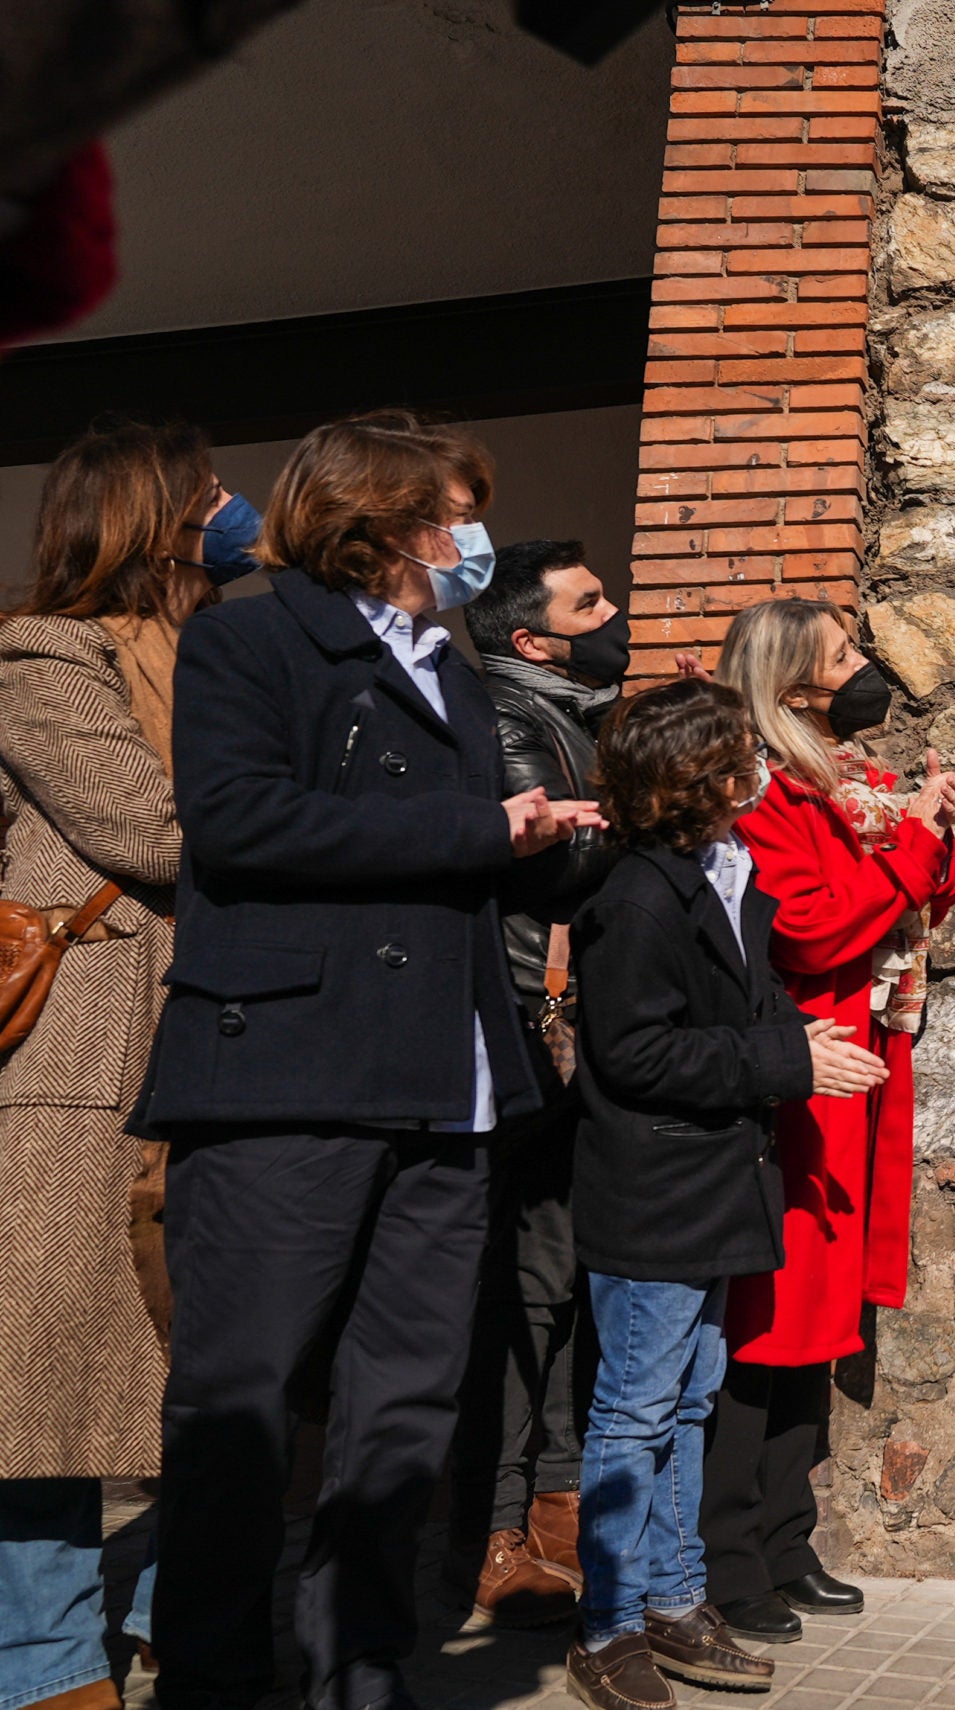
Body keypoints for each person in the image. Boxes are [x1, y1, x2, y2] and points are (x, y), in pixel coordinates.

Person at [137, 410, 605, 1710]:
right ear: (389, 517)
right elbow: (236, 823)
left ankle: (362, 1662)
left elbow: (473, 849)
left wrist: (554, 836)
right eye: (457, 509)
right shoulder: (251, 635)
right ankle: (219, 1676)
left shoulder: (452, 667)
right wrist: (471, 824)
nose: (471, 536)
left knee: (402, 1406)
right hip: (289, 1068)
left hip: (447, 1086)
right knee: (243, 1400)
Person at [565, 677, 888, 1710]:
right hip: (658, 1190)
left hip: (714, 1188)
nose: (760, 766)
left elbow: (745, 1004)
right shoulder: (635, 897)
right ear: (696, 777)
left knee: (688, 1402)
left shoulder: (714, 876)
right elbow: (635, 1052)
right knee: (633, 1414)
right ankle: (608, 1626)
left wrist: (799, 1039)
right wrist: (788, 1059)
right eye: (740, 753)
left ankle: (674, 1599)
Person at [704, 597, 955, 1638]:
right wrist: (906, 848)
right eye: (845, 652)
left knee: (817, 1321)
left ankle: (784, 1535)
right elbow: (813, 931)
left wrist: (927, 830)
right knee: (769, 1317)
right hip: (802, 1064)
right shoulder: (762, 786)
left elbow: (901, 902)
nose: (863, 666)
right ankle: (733, 1557)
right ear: (792, 674)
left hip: (852, 1058)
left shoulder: (835, 774)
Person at [0, 421, 216, 1710]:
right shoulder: (40, 655)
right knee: (49, 1375)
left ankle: (147, 1612)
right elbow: (146, 828)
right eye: (205, 502)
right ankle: (42, 1664)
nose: (229, 519)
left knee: (204, 1364)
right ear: (147, 520)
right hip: (75, 1052)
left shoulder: (217, 655)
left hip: (200, 1040)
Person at [443, 540, 629, 1627]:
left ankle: (554, 1514)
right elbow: (553, 865)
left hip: (570, 1021)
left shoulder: (580, 712)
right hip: (526, 1020)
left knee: (558, 1278)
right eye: (591, 602)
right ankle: (493, 1531)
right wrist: (645, 798)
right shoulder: (512, 719)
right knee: (516, 1285)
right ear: (530, 639)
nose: (616, 615)